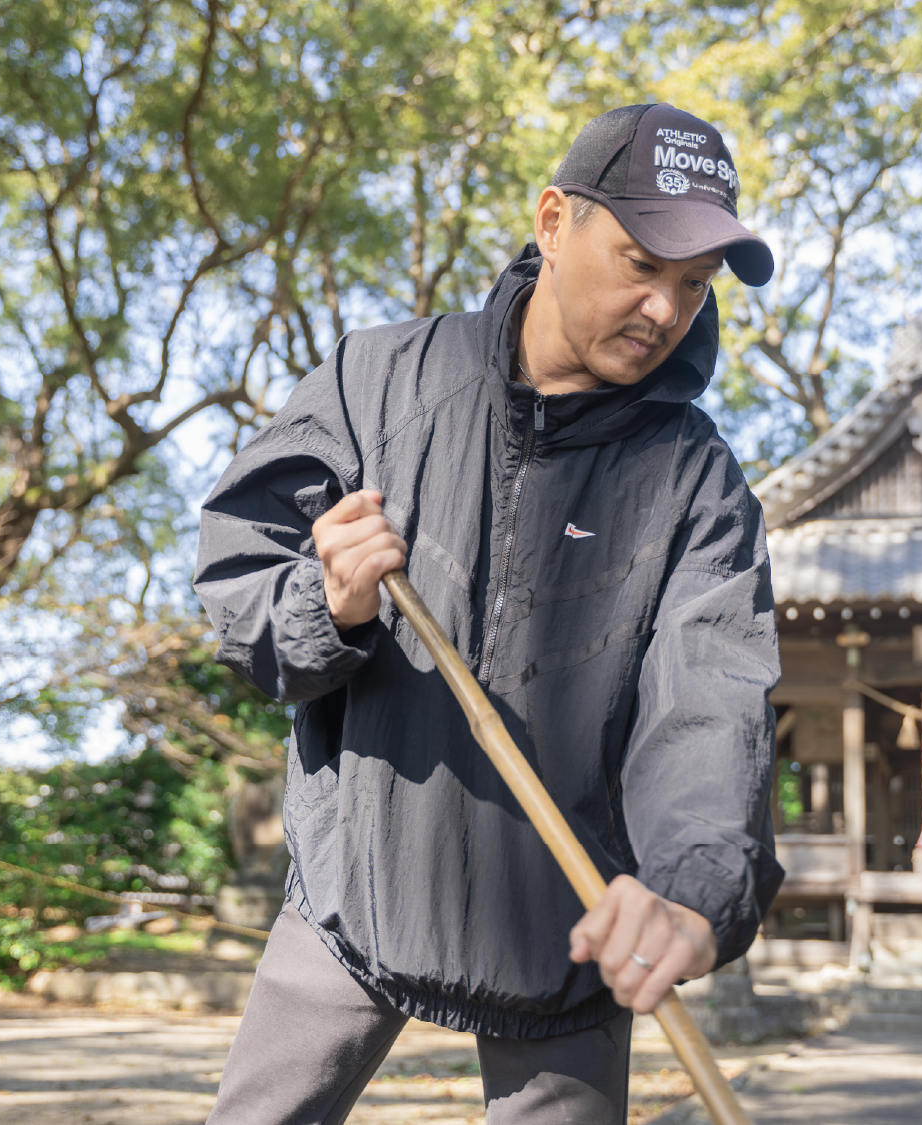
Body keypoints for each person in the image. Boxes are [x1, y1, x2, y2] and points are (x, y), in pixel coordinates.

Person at [195, 102, 784, 1125]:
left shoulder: (698, 484)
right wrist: (330, 603)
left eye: (693, 286)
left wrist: (691, 892)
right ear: (554, 222)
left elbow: (711, 704)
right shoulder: (375, 382)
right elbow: (241, 590)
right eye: (641, 262)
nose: (664, 308)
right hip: (353, 890)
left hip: (574, 934)